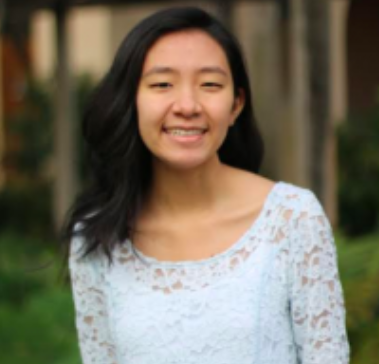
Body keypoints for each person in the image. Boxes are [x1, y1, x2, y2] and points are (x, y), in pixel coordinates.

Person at [66, 6, 350, 364]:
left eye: (210, 85)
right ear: (131, 101)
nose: (187, 105)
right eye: (162, 85)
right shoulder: (96, 236)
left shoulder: (293, 219)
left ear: (235, 105)